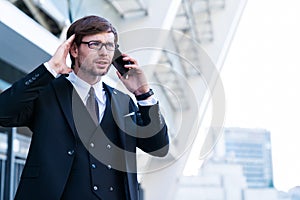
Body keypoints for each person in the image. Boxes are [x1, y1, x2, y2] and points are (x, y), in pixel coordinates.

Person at [0, 15, 169, 200]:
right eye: (95, 44)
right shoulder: (46, 91)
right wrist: (50, 68)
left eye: (110, 45)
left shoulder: (123, 102)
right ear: (73, 49)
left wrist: (143, 93)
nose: (104, 52)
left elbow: (159, 147)